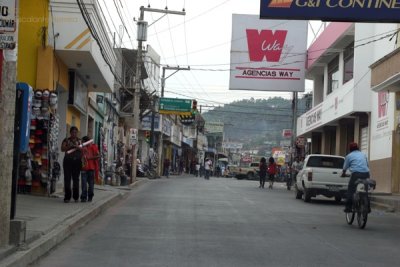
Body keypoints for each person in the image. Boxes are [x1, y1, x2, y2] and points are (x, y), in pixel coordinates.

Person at [341, 142, 370, 213]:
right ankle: (368, 207)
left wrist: (343, 174)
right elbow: (367, 165)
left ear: (350, 149)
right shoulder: (363, 154)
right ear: (358, 148)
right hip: (366, 173)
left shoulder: (349, 156)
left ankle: (348, 207)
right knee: (365, 191)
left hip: (356, 174)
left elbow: (344, 168)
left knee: (351, 190)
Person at [61, 126, 82, 203]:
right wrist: (69, 146)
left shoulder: (80, 141)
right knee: (67, 179)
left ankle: (76, 197)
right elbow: (62, 149)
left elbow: (84, 150)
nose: (74, 134)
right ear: (70, 133)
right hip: (67, 162)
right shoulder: (66, 140)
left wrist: (77, 147)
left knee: (76, 179)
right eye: (73, 132)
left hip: (77, 162)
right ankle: (67, 197)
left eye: (75, 132)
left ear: (77, 133)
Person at [80, 136, 100, 202]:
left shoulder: (93, 147)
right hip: (83, 168)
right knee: (84, 184)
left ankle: (90, 196)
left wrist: (89, 158)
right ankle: (83, 197)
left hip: (91, 168)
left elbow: (98, 156)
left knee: (91, 185)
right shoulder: (82, 147)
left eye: (83, 141)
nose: (82, 142)